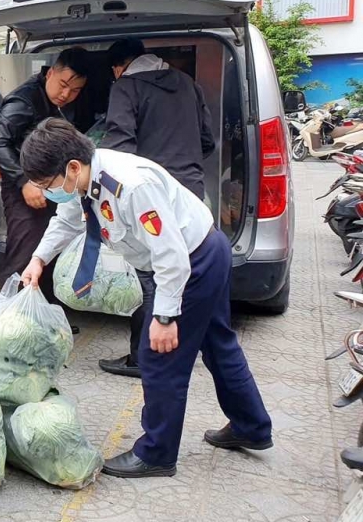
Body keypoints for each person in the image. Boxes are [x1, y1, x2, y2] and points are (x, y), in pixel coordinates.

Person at [21, 118, 272, 478]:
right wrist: (39, 259)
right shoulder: (86, 180)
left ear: (72, 167)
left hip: (192, 261)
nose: (48, 193)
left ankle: (156, 452)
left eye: (48, 185)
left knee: (158, 356)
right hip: (200, 252)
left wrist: (166, 317)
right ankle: (252, 426)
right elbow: (67, 220)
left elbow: (171, 256)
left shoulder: (131, 186)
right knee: (217, 343)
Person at [98, 38, 217, 379]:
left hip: (147, 196)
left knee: (153, 277)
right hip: (190, 193)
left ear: (118, 67)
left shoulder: (126, 87)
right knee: (182, 272)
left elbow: (118, 148)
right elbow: (207, 140)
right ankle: (178, 346)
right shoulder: (188, 84)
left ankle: (146, 356)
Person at [0, 47, 92, 299]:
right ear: (51, 72)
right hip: (24, 191)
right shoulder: (23, 100)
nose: (66, 94)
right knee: (23, 255)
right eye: (63, 84)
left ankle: (42, 319)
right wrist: (24, 182)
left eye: (75, 90)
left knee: (49, 253)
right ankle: (6, 318)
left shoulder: (61, 104)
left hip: (53, 188)